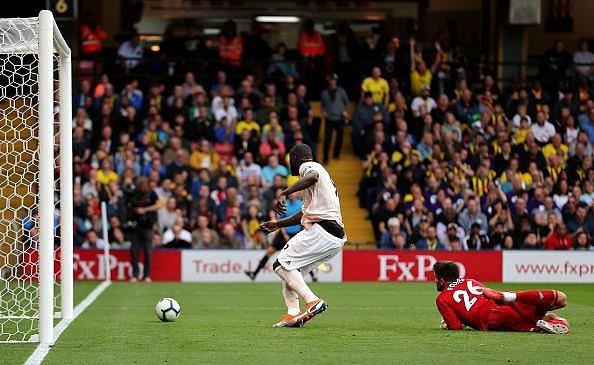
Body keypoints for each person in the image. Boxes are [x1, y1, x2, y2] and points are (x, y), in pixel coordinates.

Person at [260, 144, 346, 327]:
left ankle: (313, 301)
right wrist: (277, 224)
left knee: (281, 263)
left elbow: (312, 176)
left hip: (323, 229)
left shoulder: (309, 168)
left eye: (290, 159)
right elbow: (305, 214)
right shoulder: (317, 180)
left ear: (295, 158)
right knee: (290, 270)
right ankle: (293, 314)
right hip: (334, 236)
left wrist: (284, 192)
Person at [434, 261, 570, 334]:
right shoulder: (470, 281)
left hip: (493, 316)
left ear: (441, 281)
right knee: (557, 307)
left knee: (536, 324)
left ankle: (540, 327)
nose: (435, 281)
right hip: (503, 302)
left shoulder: (442, 299)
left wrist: (450, 323)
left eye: (436, 278)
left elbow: (456, 327)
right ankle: (509, 296)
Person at [245, 193, 315, 281]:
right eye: (291, 194)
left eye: (294, 194)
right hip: (283, 233)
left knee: (301, 254)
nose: (292, 196)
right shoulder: (284, 205)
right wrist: (285, 234)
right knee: (269, 251)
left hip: (295, 233)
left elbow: (304, 219)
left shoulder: (300, 204)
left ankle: (313, 276)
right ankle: (254, 273)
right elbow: (279, 221)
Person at [129, 178, 161, 282]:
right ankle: (135, 275)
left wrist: (145, 210)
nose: (143, 187)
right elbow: (129, 205)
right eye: (141, 185)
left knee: (148, 251)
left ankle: (146, 275)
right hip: (136, 226)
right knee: (134, 251)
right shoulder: (135, 193)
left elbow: (159, 205)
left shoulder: (152, 193)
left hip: (148, 226)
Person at [321, 73, 349, 164]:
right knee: (328, 138)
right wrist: (323, 111)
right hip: (329, 118)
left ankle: (336, 154)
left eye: (334, 80)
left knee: (340, 137)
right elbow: (322, 105)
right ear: (329, 81)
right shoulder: (324, 92)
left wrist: (345, 111)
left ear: (336, 81)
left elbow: (346, 103)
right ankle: (325, 157)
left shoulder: (342, 91)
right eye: (331, 80)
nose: (332, 81)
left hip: (340, 117)